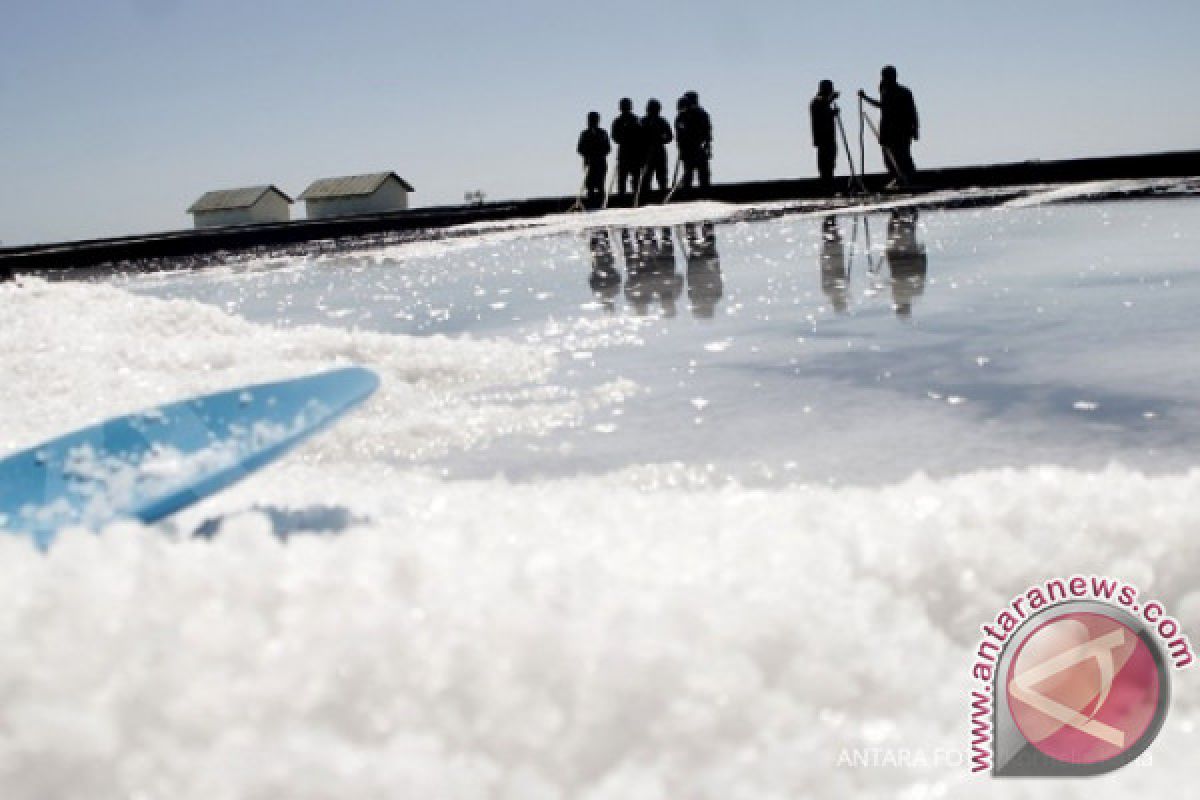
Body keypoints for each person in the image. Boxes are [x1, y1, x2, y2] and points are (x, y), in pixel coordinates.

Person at [858, 66, 919, 188]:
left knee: (903, 157)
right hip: (888, 132)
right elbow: (883, 106)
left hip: (901, 131)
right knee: (889, 158)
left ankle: (909, 180)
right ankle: (898, 179)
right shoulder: (886, 91)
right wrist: (865, 98)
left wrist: (915, 129)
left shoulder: (903, 92)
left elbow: (912, 111)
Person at [885, 209, 927, 318]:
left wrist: (922, 254)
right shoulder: (913, 292)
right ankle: (906, 210)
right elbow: (921, 270)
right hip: (903, 255)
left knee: (901, 228)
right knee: (903, 229)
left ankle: (903, 211)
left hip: (901, 256)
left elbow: (922, 270)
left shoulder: (915, 292)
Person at [810, 80, 840, 195]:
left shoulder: (823, 102)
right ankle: (827, 188)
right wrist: (831, 99)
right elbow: (821, 109)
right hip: (824, 140)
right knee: (825, 165)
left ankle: (829, 187)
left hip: (829, 139)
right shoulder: (818, 101)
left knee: (830, 164)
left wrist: (832, 112)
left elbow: (825, 113)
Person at [576, 111, 611, 209]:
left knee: (600, 185)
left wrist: (598, 151)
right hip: (589, 163)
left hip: (600, 163)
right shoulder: (585, 133)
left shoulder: (603, 133)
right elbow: (579, 149)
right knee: (589, 185)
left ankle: (602, 204)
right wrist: (588, 153)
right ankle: (590, 204)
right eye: (590, 120)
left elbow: (608, 148)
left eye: (594, 120)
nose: (591, 122)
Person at [678, 91, 712, 189]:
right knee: (689, 173)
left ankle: (704, 192)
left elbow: (707, 130)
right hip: (689, 148)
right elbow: (680, 133)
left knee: (702, 173)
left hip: (698, 147)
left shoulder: (701, 114)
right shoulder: (683, 115)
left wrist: (707, 145)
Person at [639, 99, 673, 195]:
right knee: (646, 176)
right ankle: (645, 196)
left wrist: (660, 140)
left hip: (659, 151)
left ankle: (663, 193)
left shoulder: (662, 121)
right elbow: (637, 136)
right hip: (645, 152)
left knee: (661, 175)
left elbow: (669, 136)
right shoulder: (642, 121)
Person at [610, 98, 644, 196]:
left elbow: (642, 135)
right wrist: (624, 139)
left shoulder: (637, 120)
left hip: (635, 152)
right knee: (622, 178)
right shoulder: (617, 121)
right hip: (624, 152)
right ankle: (622, 196)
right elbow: (615, 136)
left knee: (636, 177)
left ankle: (636, 195)